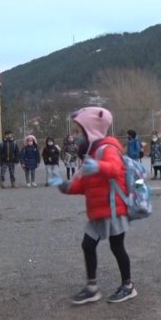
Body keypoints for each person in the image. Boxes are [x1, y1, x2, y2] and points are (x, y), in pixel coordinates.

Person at [54, 106, 137, 304]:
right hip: (99, 210)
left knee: (117, 247)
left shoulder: (108, 148)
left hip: (113, 209)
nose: (79, 133)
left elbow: (114, 169)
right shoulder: (92, 152)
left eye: (81, 129)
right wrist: (66, 187)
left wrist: (98, 166)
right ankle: (92, 288)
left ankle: (128, 286)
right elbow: (86, 184)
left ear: (91, 128)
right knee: (88, 245)